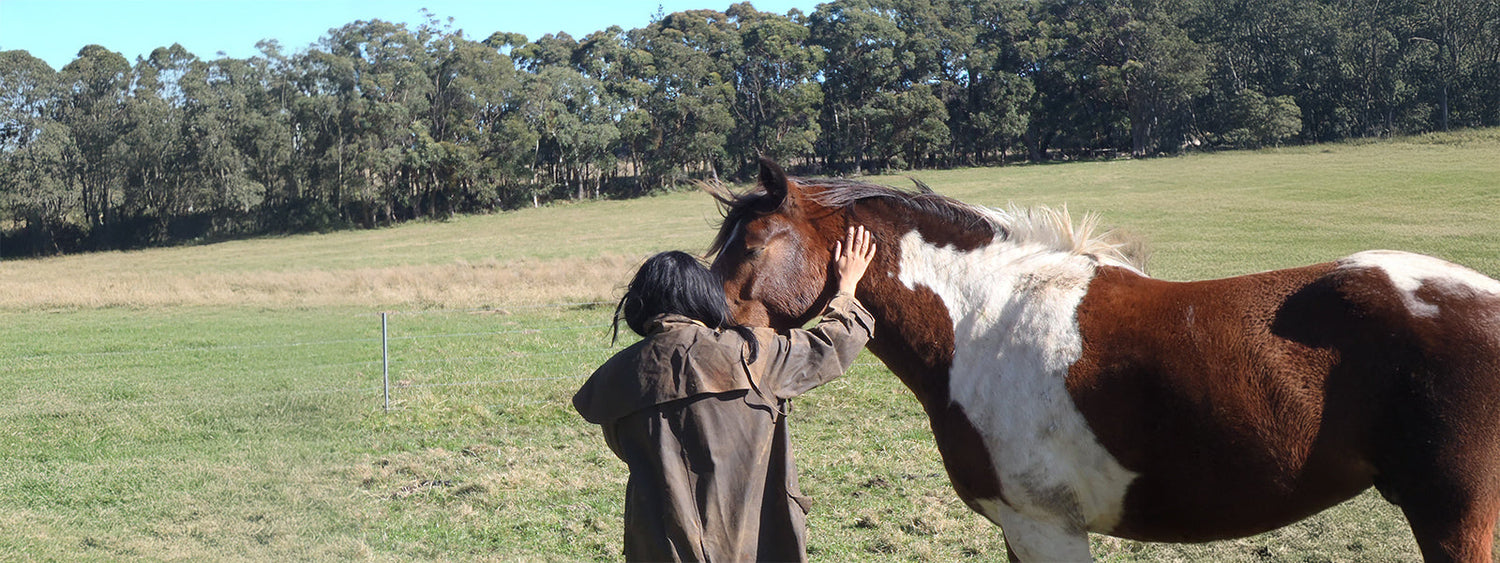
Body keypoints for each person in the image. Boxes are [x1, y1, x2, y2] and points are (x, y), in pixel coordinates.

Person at [573, 226, 877, 562]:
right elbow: (831, 346)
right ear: (701, 295)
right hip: (749, 545)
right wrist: (847, 288)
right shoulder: (748, 353)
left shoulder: (618, 377)